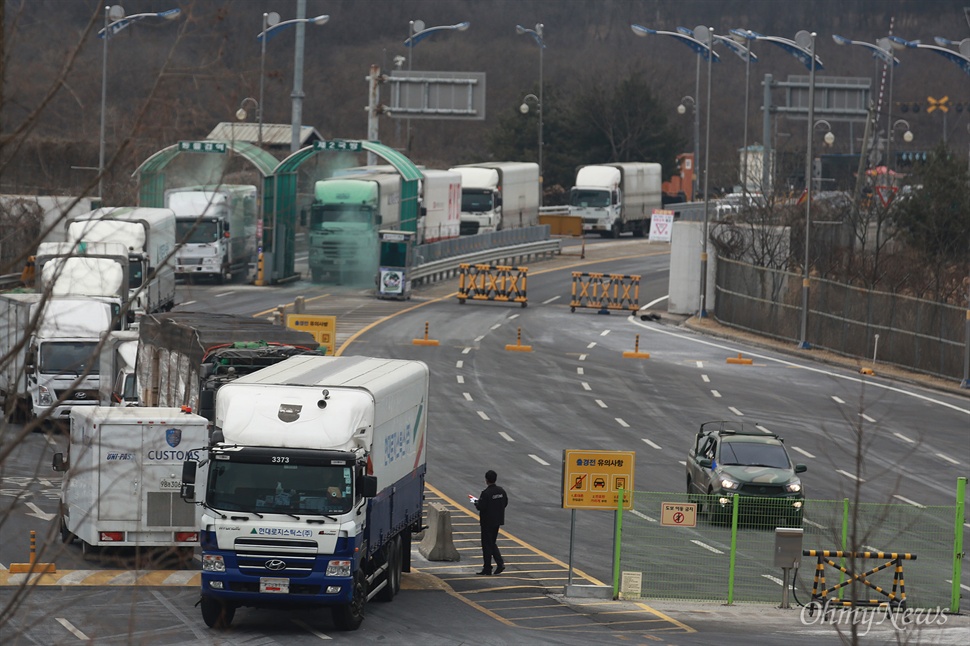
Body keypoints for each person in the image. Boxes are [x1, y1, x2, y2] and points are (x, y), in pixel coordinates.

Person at [474, 469, 508, 576]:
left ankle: (488, 568)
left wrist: (476, 503)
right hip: (497, 521)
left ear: (486, 480)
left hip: (487, 522)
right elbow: (505, 503)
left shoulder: (486, 493)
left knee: (486, 545)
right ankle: (499, 563)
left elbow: (481, 507)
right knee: (492, 543)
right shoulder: (501, 491)